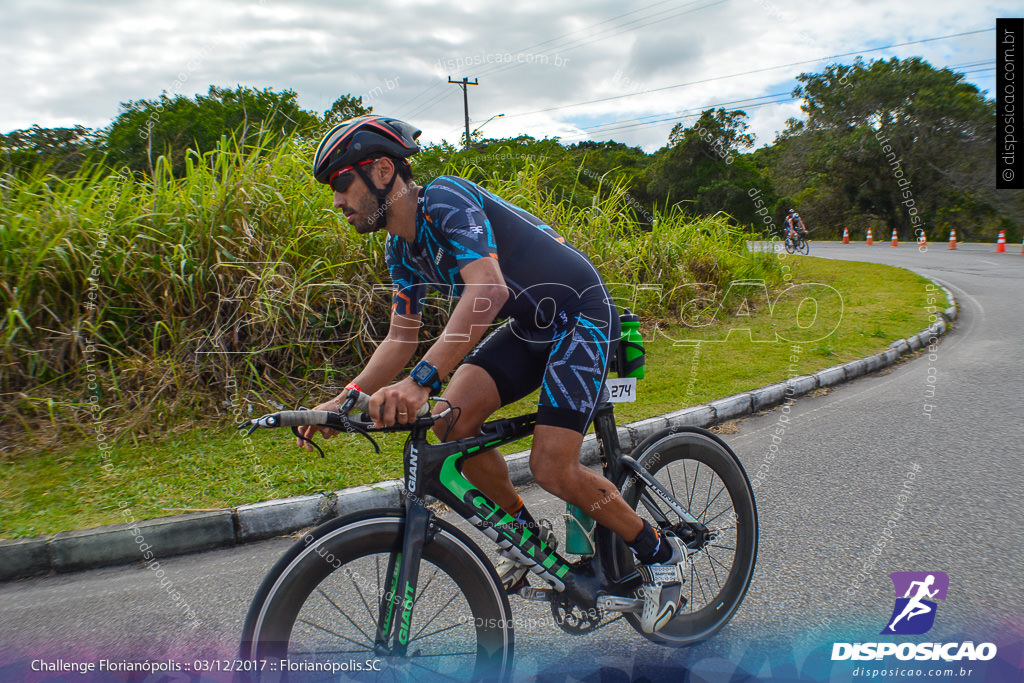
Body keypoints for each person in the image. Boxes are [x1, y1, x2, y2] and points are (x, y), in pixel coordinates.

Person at [296, 115, 686, 633]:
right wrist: (341, 401)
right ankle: (528, 542)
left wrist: (420, 381)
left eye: (342, 182)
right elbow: (400, 337)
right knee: (450, 424)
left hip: (581, 316)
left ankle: (662, 556)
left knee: (552, 466)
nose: (338, 200)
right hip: (532, 325)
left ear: (384, 170)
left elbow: (488, 291)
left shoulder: (445, 200)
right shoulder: (400, 248)